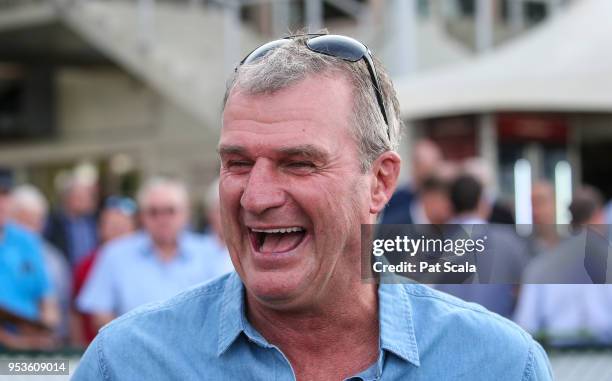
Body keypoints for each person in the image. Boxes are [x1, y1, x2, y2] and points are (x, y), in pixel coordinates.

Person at [74, 34, 551, 380]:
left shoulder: (499, 365)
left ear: (380, 182)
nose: (257, 197)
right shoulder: (127, 364)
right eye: (237, 163)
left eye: (298, 163)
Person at [76, 177, 230, 331]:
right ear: (142, 216)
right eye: (153, 212)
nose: (162, 219)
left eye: (170, 211)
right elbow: (99, 313)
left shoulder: (211, 252)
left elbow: (223, 307)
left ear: (186, 213)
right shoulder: (114, 254)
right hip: (133, 350)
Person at [515, 186, 612, 346]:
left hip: (558, 363)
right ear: (600, 217)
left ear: (569, 220)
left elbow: (525, 326)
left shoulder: (541, 266)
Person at [436, 174, 529, 318]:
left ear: (450, 205)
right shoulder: (509, 241)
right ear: (483, 203)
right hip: (501, 332)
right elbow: (525, 291)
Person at [0, 171, 57, 350]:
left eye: (5, 195)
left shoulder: (26, 239)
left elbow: (47, 298)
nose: (1, 203)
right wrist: (15, 342)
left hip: (31, 341)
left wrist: (45, 331)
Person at [72, 196, 137, 346]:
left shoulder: (146, 263)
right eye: (113, 227)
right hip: (93, 346)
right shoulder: (86, 265)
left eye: (123, 227)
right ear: (100, 229)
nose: (118, 233)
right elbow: (75, 312)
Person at [10, 184, 70, 344]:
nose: (31, 229)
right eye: (24, 221)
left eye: (36, 221)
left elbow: (60, 308)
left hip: (45, 349)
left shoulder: (54, 259)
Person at [45, 176, 98, 266]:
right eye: (81, 197)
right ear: (67, 198)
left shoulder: (95, 221)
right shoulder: (53, 223)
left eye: (88, 197)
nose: (88, 201)